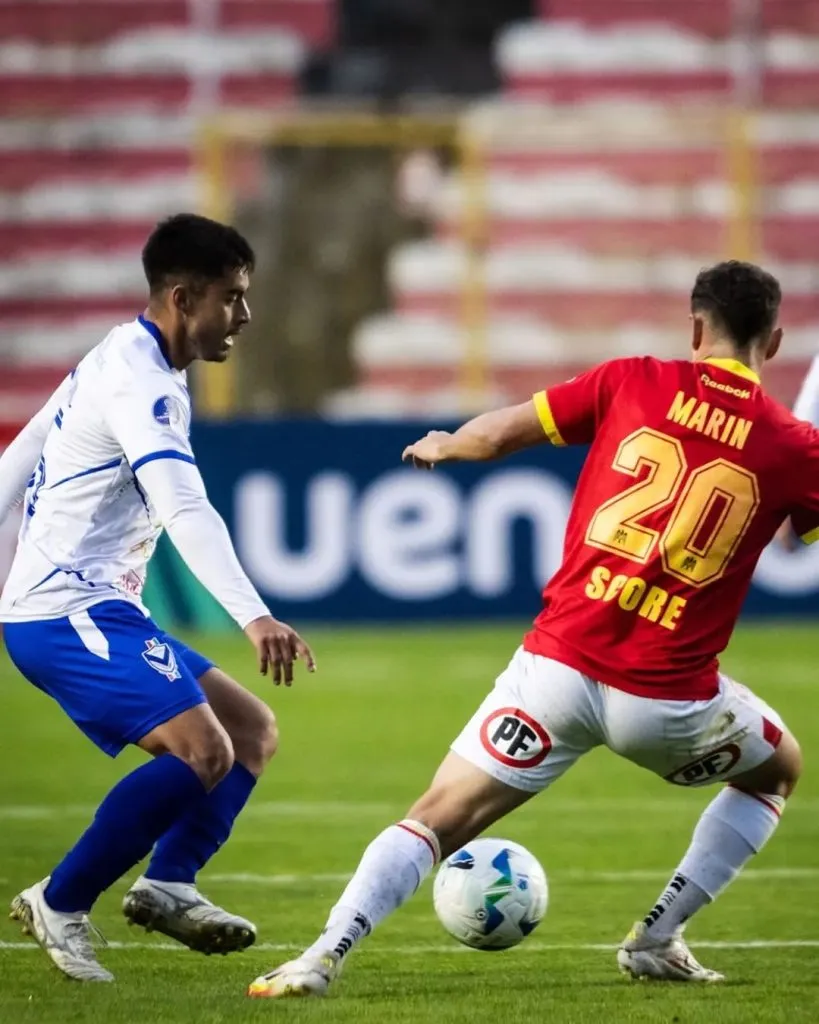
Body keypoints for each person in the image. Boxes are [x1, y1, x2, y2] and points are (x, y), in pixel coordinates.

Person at [249, 260, 806, 997]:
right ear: (775, 338)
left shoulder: (630, 379)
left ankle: (320, 955)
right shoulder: (793, 444)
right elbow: (802, 538)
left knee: (435, 818)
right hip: (665, 706)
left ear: (695, 325)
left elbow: (499, 435)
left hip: (555, 673)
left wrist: (447, 443)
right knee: (778, 769)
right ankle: (657, 936)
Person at [0, 213, 315, 982]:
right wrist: (254, 613)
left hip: (93, 607)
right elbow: (183, 508)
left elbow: (21, 457)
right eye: (232, 299)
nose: (243, 316)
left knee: (249, 732)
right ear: (182, 298)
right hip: (66, 611)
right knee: (201, 750)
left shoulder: (121, 356)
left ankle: (169, 885)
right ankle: (62, 899)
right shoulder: (141, 383)